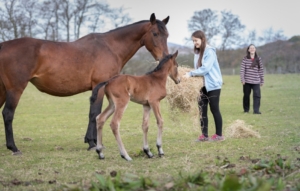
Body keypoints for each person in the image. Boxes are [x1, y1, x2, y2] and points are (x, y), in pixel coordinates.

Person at [183, 30, 224, 142]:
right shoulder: (197, 53)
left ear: (202, 39)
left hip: (213, 85)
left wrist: (191, 74)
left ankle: (219, 135)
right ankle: (204, 135)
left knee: (214, 109)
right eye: (193, 41)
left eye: (196, 40)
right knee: (202, 110)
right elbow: (197, 69)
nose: (194, 43)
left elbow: (205, 68)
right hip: (201, 85)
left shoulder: (209, 51)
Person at [240, 44, 264, 114]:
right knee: (246, 95)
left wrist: (262, 80)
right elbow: (242, 70)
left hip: (256, 81)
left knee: (257, 95)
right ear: (248, 50)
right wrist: (243, 79)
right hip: (247, 81)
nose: (252, 49)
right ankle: (246, 110)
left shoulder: (258, 59)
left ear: (255, 49)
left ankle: (256, 110)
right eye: (251, 48)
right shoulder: (245, 59)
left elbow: (261, 70)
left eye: (253, 48)